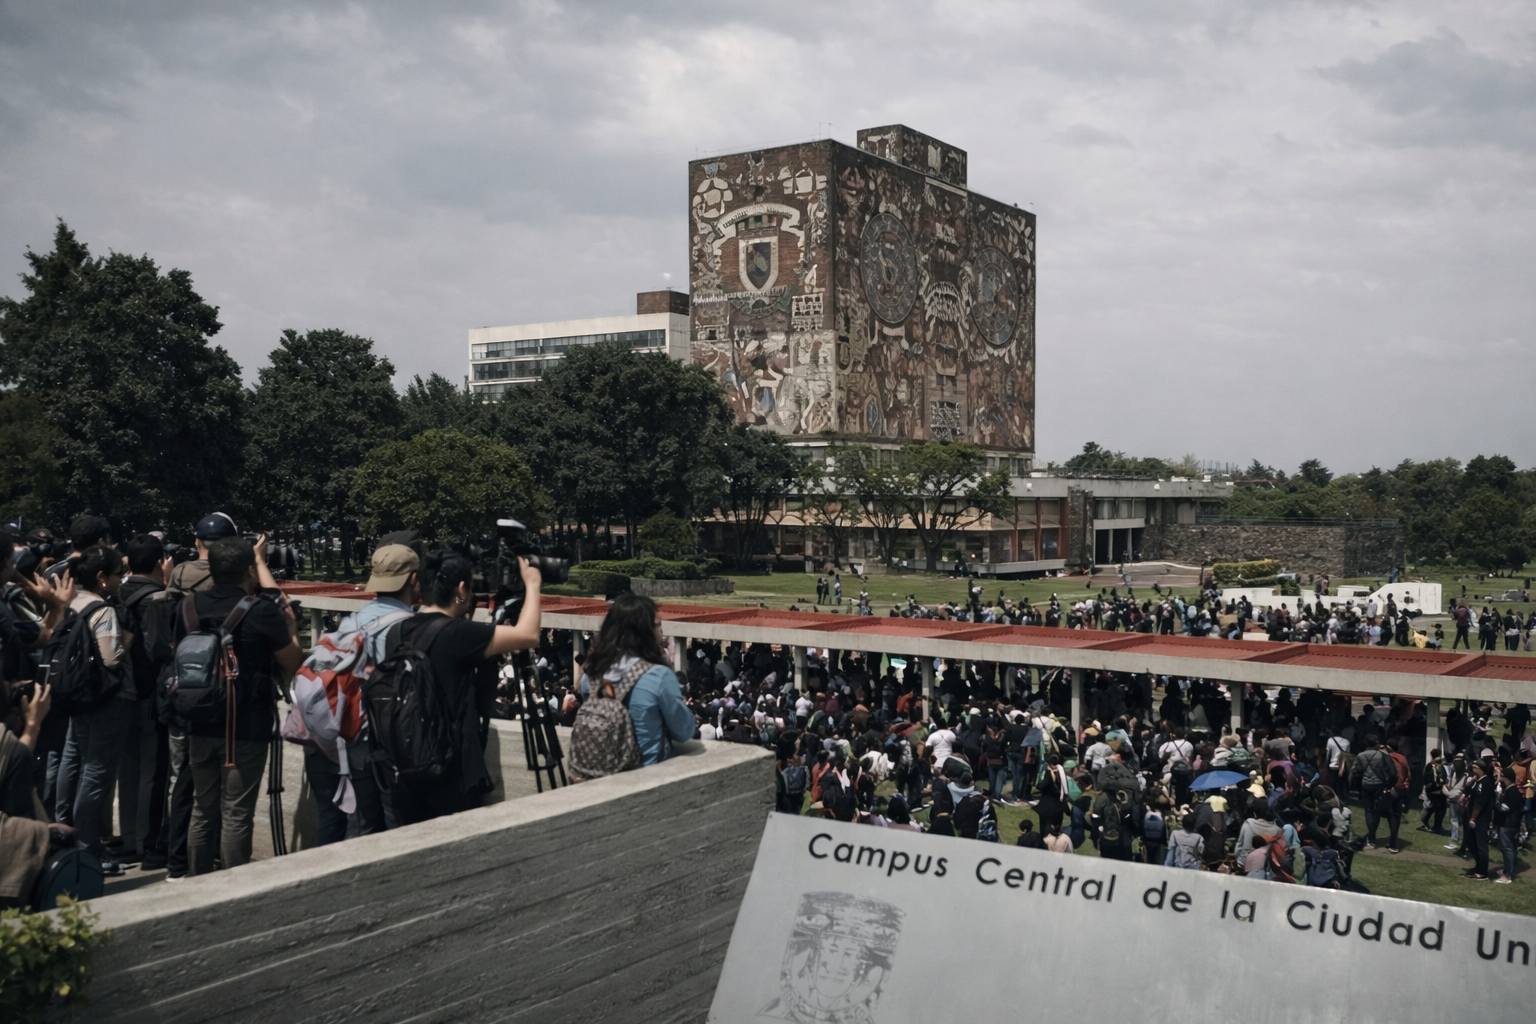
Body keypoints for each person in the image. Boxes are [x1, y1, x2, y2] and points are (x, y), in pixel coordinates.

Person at [387, 548, 543, 823]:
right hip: (449, 770)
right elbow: (528, 635)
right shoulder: (457, 633)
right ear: (461, 589)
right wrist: (532, 584)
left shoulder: (396, 632)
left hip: (406, 764)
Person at [178, 537, 303, 875]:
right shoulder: (260, 609)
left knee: (202, 808)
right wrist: (289, 623)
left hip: (197, 719)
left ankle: (198, 880)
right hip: (244, 726)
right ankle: (235, 888)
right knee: (236, 812)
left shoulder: (188, 607)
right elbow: (291, 661)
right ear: (250, 568)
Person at [305, 544, 421, 844]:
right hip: (369, 747)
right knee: (372, 832)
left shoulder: (353, 621)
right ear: (413, 580)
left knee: (339, 827)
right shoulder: (406, 627)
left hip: (331, 738)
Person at [52, 546, 132, 875]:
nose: (119, 580)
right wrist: (128, 640)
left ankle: (61, 831)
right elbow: (111, 658)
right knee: (96, 772)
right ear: (101, 578)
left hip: (71, 695)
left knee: (72, 761)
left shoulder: (68, 601)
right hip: (101, 699)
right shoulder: (103, 610)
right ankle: (87, 848)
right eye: (117, 575)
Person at [115, 534, 172, 868]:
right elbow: (160, 649)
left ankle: (130, 838)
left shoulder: (115, 592)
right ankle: (150, 844)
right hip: (149, 696)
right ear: (158, 561)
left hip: (120, 695)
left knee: (129, 769)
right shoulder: (157, 599)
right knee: (154, 772)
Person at [1463, 759, 1497, 881]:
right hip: (1474, 817)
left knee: (1481, 845)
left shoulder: (1486, 782)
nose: (1472, 768)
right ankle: (1478, 866)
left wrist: (1473, 818)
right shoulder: (1477, 781)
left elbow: (1480, 803)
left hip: (1481, 819)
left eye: (1474, 766)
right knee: (1470, 842)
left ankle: (1482, 872)